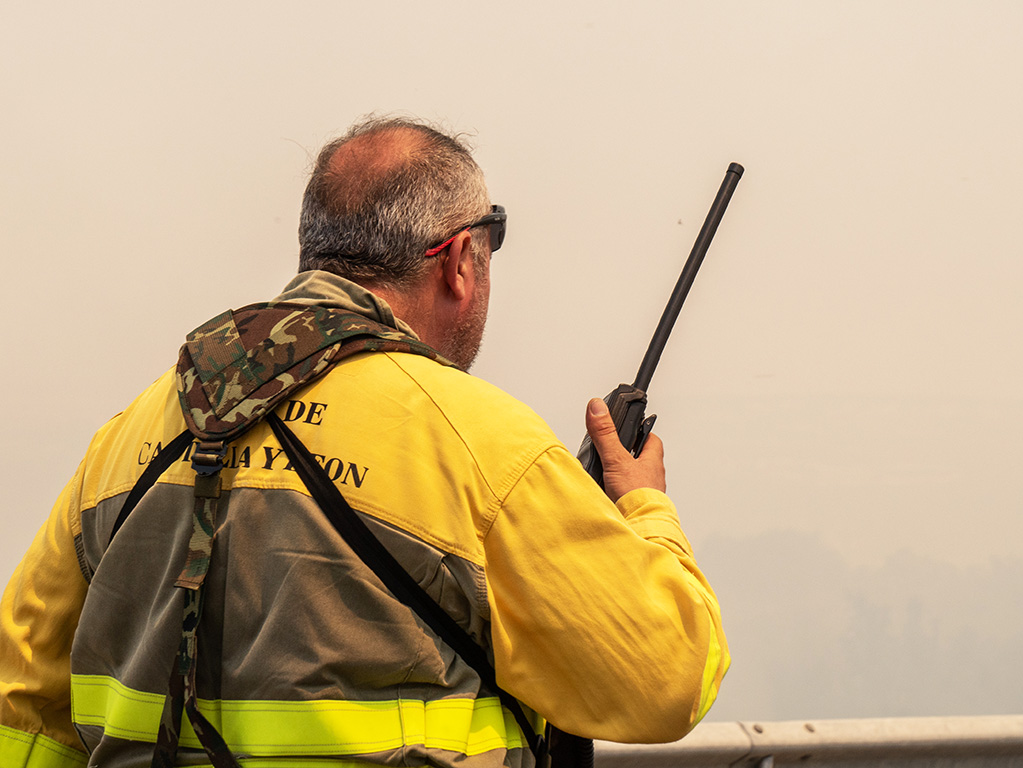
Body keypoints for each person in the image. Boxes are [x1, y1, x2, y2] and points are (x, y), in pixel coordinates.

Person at [0, 117, 729, 768]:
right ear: (459, 263)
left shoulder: (134, 431)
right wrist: (643, 511)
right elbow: (665, 680)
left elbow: (23, 704)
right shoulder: (483, 444)